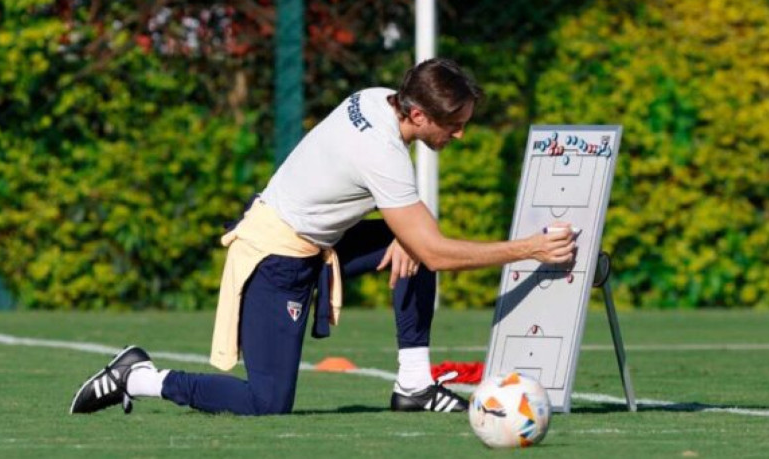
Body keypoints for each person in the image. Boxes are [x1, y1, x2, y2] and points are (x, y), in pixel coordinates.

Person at [69, 58, 576, 417]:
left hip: (321, 240)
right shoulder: (382, 151)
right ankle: (138, 377)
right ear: (418, 115)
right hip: (277, 257)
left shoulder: (379, 99)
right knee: (266, 403)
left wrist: (411, 239)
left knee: (415, 246)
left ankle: (415, 386)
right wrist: (528, 249)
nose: (460, 134)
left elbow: (420, 240)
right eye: (454, 125)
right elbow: (437, 254)